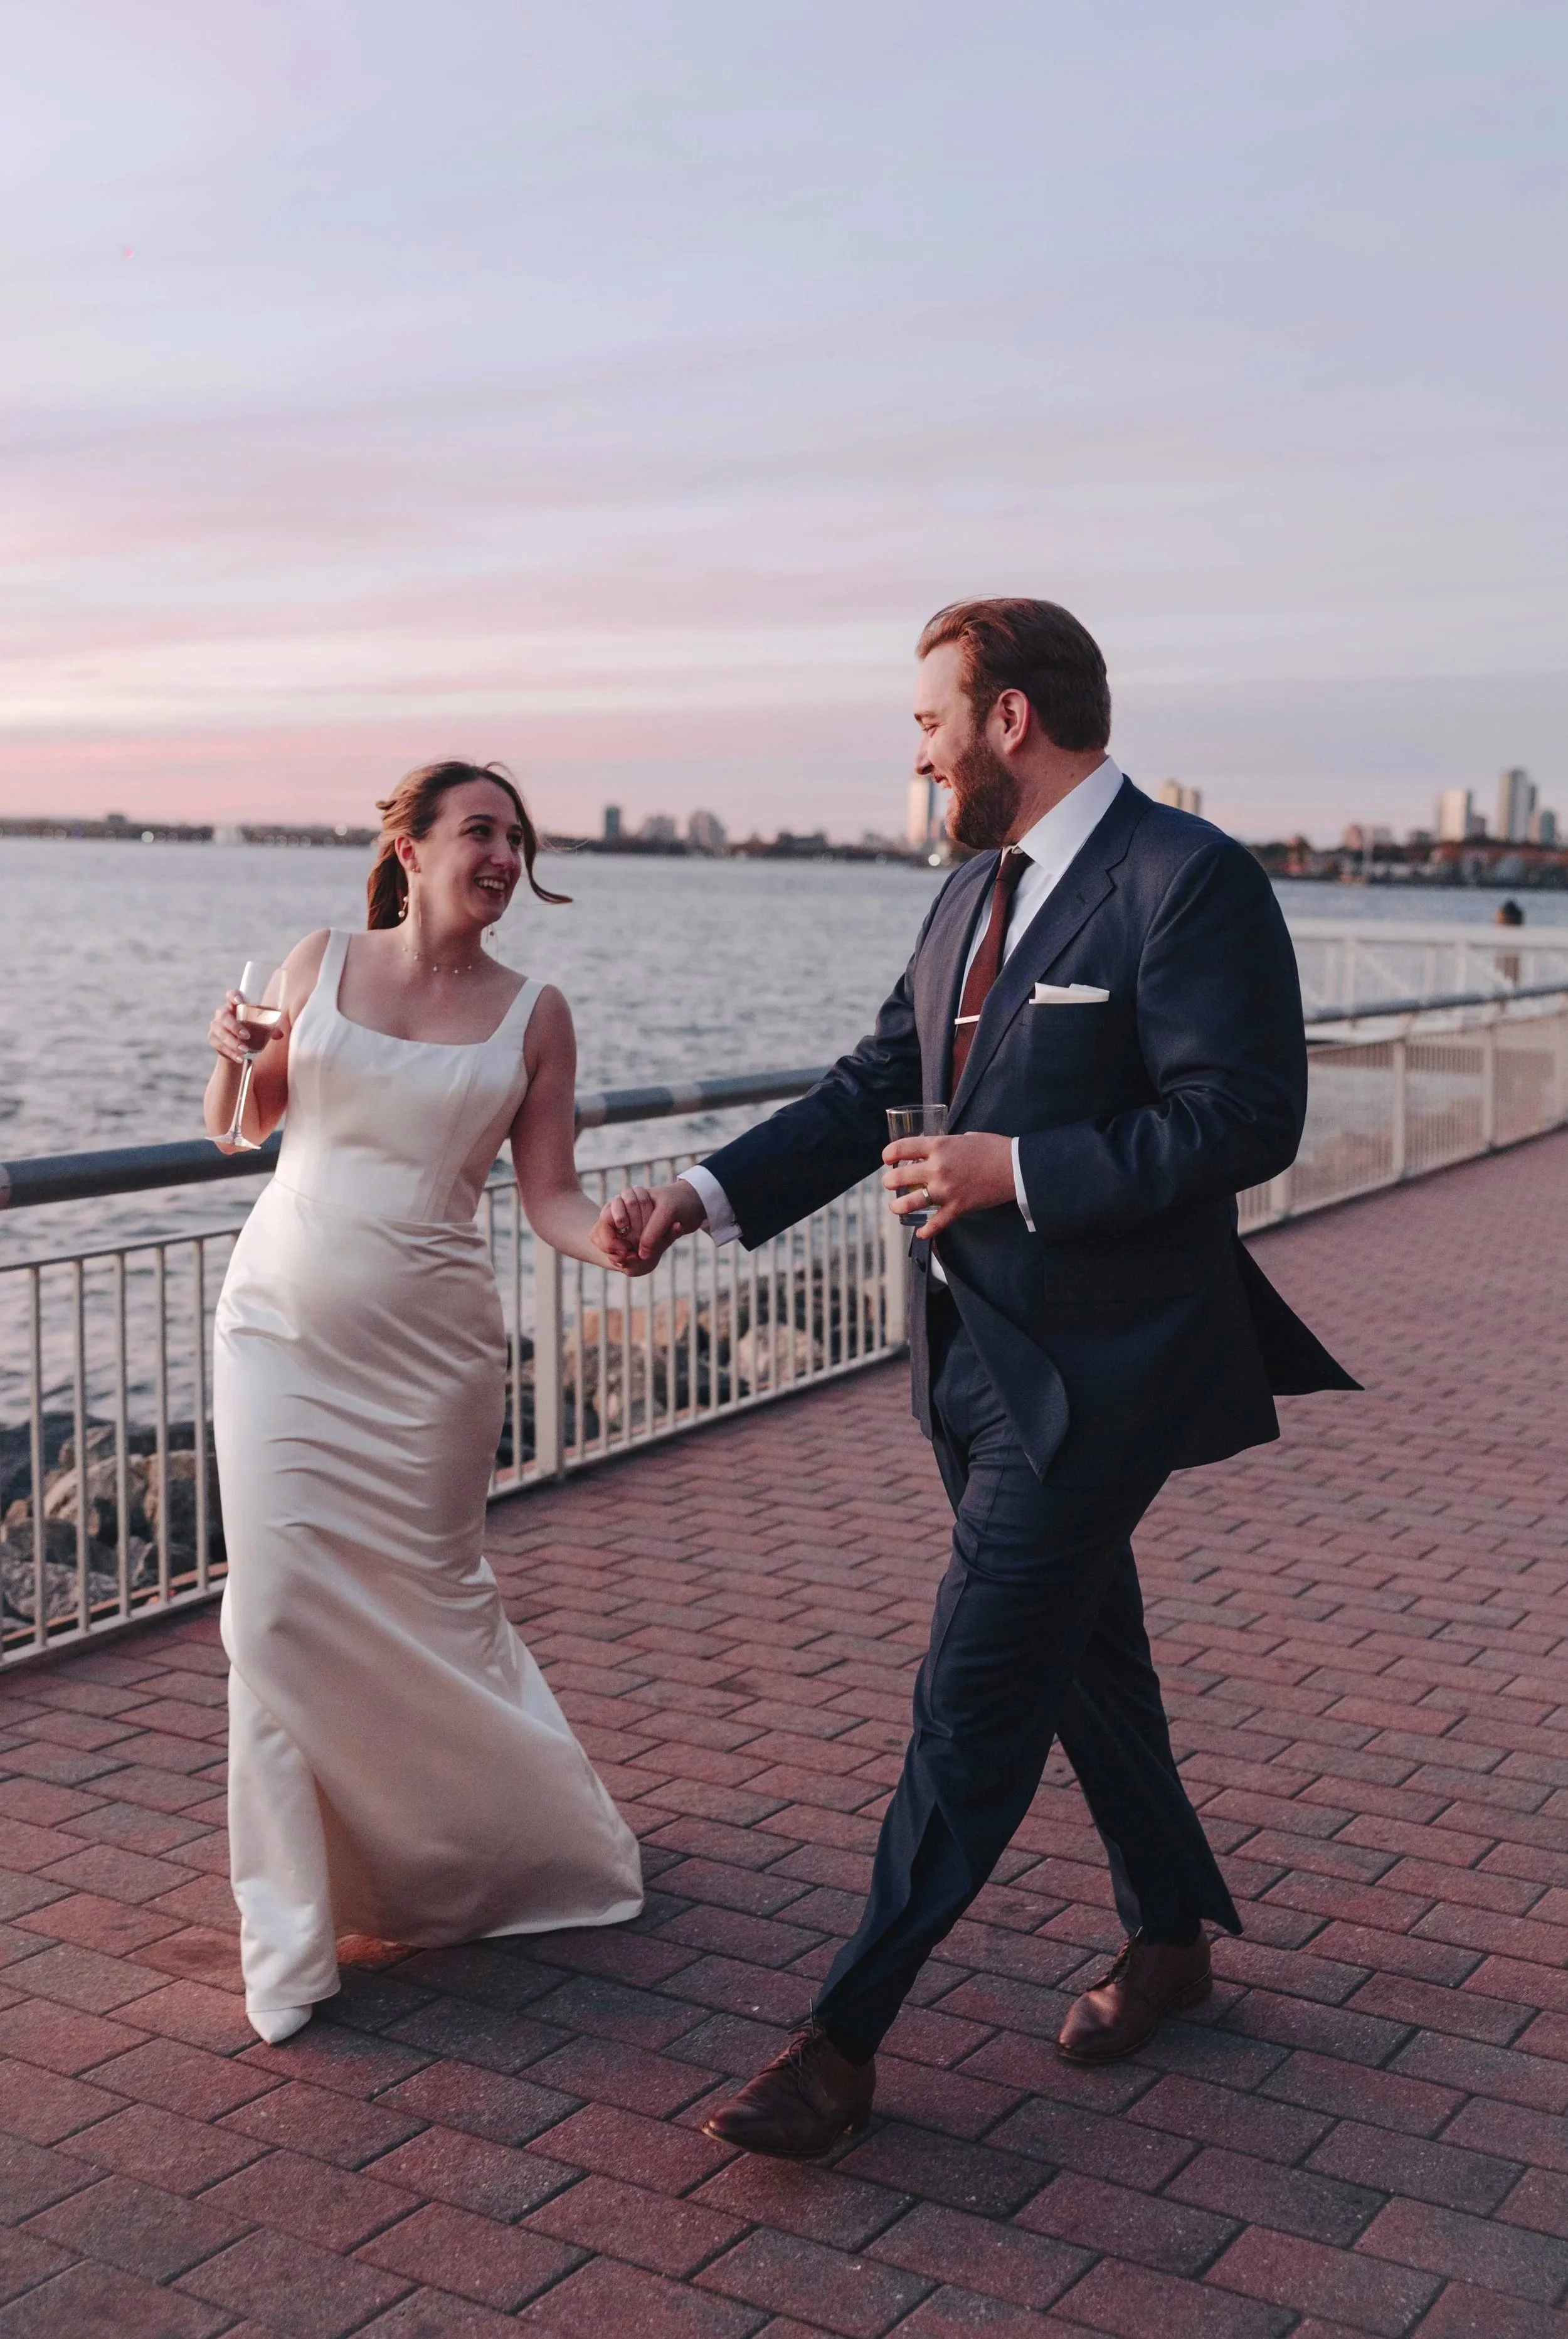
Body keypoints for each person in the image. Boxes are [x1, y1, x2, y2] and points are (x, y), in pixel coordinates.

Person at [601, 600, 1357, 2157]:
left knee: (973, 1693)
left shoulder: (1186, 879)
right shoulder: (963, 899)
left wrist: (1018, 1166)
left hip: (1107, 1368)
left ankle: (839, 2042)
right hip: (961, 1360)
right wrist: (699, 1197)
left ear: (1009, 717)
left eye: (929, 715)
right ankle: (1167, 1944)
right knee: (1089, 1662)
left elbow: (1243, 1119)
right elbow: (871, 1088)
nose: (920, 744)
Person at [205, 760, 646, 2045]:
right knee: (274, 1608)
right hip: (277, 1332)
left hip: (433, 1360)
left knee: (435, 1613)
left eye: (517, 836)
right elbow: (248, 1122)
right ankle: (287, 1941)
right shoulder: (318, 961)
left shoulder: (535, 1012)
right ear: (408, 845)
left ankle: (499, 1852)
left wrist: (609, 1238)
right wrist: (230, 1054)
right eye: (479, 831)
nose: (502, 853)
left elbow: (551, 1194)